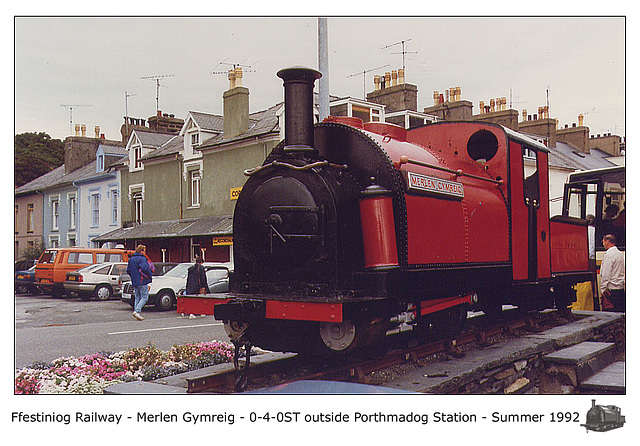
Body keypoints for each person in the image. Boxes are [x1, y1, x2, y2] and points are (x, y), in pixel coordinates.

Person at [126, 244, 153, 320]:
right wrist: (150, 273)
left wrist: (133, 276)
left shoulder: (131, 259)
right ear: (141, 251)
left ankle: (137, 312)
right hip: (142, 280)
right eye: (144, 250)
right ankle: (137, 311)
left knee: (137, 297)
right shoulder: (142, 259)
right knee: (144, 297)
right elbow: (145, 268)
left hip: (134, 281)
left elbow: (128, 270)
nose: (145, 252)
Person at [600, 234, 625, 312]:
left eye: (603, 242)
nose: (603, 244)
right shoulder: (621, 254)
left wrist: (603, 289)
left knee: (610, 315)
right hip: (620, 289)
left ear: (607, 242)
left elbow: (606, 274)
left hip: (611, 291)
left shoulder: (609, 255)